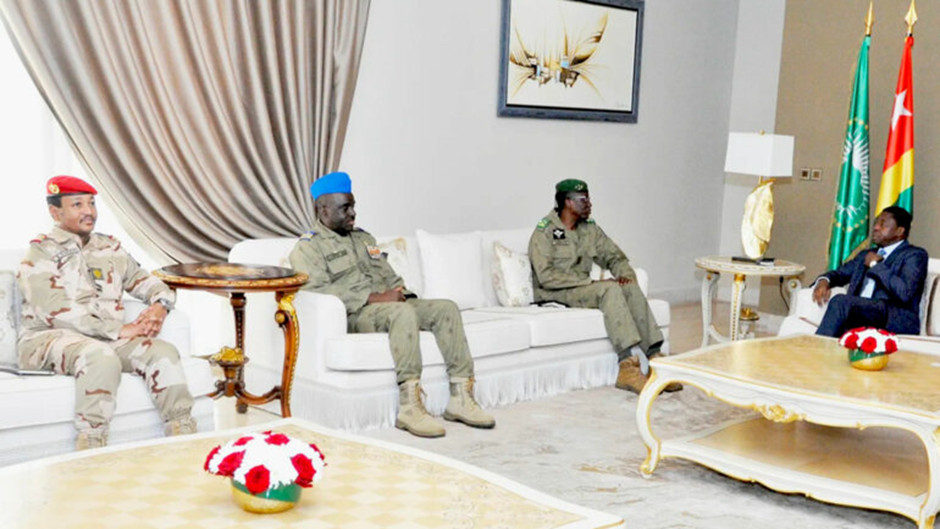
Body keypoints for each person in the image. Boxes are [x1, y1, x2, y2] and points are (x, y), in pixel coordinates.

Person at [288, 171, 494, 438]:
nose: (353, 213)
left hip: (388, 307)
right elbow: (315, 291)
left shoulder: (364, 239)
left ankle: (461, 397)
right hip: (354, 315)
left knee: (446, 308)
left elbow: (388, 275)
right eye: (345, 208)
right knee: (401, 312)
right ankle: (410, 407)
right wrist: (374, 298)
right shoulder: (308, 247)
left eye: (353, 206)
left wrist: (400, 293)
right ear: (323, 210)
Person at [17, 176, 196, 450]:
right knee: (100, 356)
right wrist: (119, 330)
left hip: (105, 340)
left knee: (162, 351)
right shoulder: (41, 251)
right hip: (49, 338)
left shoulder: (109, 248)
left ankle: (184, 438)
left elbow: (150, 283)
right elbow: (54, 310)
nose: (89, 211)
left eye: (91, 203)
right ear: (55, 212)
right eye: (77, 204)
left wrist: (159, 307)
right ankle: (92, 446)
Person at [528, 179, 681, 394]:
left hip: (581, 289)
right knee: (608, 289)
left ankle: (655, 360)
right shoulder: (545, 232)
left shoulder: (589, 229)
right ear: (568, 202)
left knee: (625, 285)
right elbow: (546, 277)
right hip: (554, 293)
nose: (589, 204)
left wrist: (626, 276)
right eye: (583, 200)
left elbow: (614, 257)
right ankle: (627, 366)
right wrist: (590, 283)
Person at [813, 206, 928, 337]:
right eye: (876, 222)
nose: (876, 227)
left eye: (883, 224)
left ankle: (815, 346)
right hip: (860, 314)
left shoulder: (914, 255)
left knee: (840, 301)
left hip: (891, 317)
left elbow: (905, 293)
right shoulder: (866, 254)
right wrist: (824, 281)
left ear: (899, 231)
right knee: (842, 316)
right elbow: (840, 274)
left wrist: (876, 265)